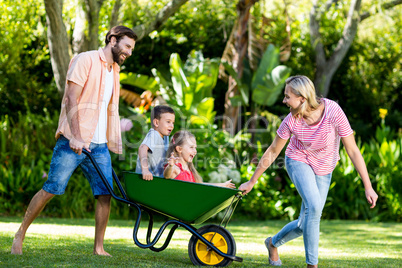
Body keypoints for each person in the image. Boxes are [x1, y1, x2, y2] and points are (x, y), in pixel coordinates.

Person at [11, 26, 137, 256]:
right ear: (112, 40)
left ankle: (99, 247)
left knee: (105, 194)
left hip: (99, 147)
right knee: (51, 189)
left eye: (131, 48)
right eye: (127, 46)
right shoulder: (85, 60)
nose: (129, 52)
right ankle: (20, 234)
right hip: (73, 142)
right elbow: (70, 98)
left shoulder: (114, 71)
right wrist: (78, 137)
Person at [239, 75, 378, 267]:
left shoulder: (333, 111)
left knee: (306, 222)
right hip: (298, 160)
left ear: (302, 98)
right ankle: (312, 265)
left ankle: (272, 243)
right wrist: (252, 181)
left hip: (324, 167)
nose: (284, 100)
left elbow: (352, 150)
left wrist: (368, 186)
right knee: (313, 207)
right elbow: (273, 151)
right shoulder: (291, 121)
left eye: (287, 96)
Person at [164, 130, 236, 188]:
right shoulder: (175, 168)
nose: (195, 151)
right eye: (191, 147)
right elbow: (167, 175)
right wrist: (170, 166)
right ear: (179, 149)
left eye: (195, 147)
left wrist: (222, 185)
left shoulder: (189, 169)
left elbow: (201, 185)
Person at [135, 105, 175, 180]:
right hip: (146, 179)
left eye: (173, 122)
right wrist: (145, 170)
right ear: (156, 123)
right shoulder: (154, 134)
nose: (172, 126)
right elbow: (142, 148)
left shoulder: (165, 137)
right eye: (168, 122)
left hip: (156, 179)